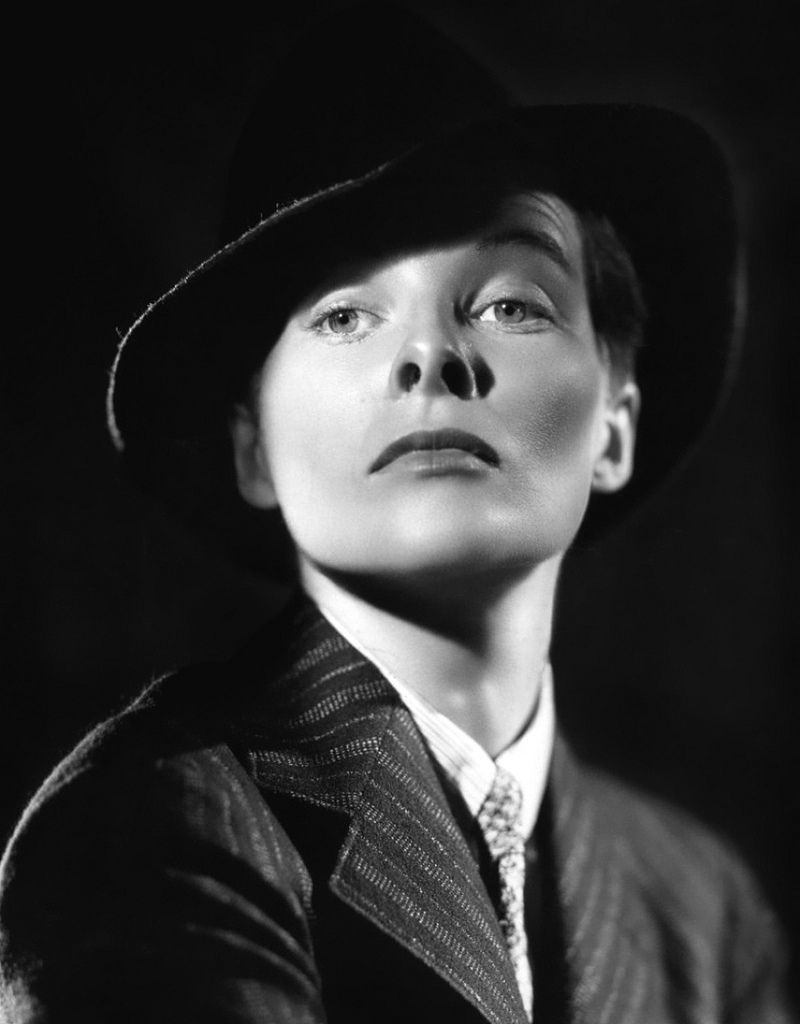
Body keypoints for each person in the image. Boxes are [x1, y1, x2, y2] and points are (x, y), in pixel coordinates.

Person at [0, 6, 792, 1023]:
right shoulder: (154, 819)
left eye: (510, 304)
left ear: (612, 426)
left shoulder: (703, 905)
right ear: (252, 446)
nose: (429, 356)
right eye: (344, 316)